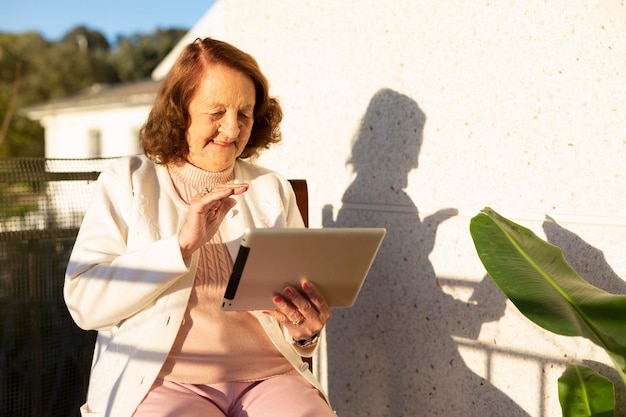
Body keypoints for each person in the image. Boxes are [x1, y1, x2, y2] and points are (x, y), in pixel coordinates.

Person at [64, 37, 335, 417]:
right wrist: (181, 246)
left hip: (271, 376)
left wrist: (306, 330)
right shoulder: (126, 181)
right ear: (180, 112)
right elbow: (84, 303)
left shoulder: (271, 188)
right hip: (163, 380)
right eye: (216, 112)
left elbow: (299, 325)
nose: (232, 128)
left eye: (245, 113)